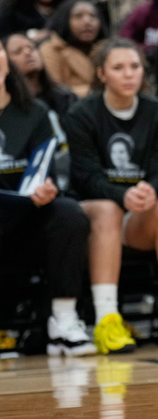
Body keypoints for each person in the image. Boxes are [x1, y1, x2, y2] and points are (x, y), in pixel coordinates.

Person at [64, 38, 158, 353]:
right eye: (118, 68)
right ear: (101, 74)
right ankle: (106, 319)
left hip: (139, 214)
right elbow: (84, 178)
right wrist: (121, 195)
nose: (129, 74)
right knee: (107, 210)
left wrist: (150, 190)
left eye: (135, 67)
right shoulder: (81, 114)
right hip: (94, 214)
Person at [0, 42, 94, 356]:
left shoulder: (34, 112)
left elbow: (45, 171)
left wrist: (45, 189)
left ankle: (64, 320)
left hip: (23, 220)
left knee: (68, 213)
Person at [40, 0, 107, 98]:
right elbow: (56, 91)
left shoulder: (107, 50)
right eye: (78, 16)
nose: (87, 21)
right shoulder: (52, 49)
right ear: (65, 20)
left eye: (93, 16)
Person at [3, 33, 77, 118]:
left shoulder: (65, 97)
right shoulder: (8, 109)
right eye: (18, 51)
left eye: (32, 48)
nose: (28, 52)